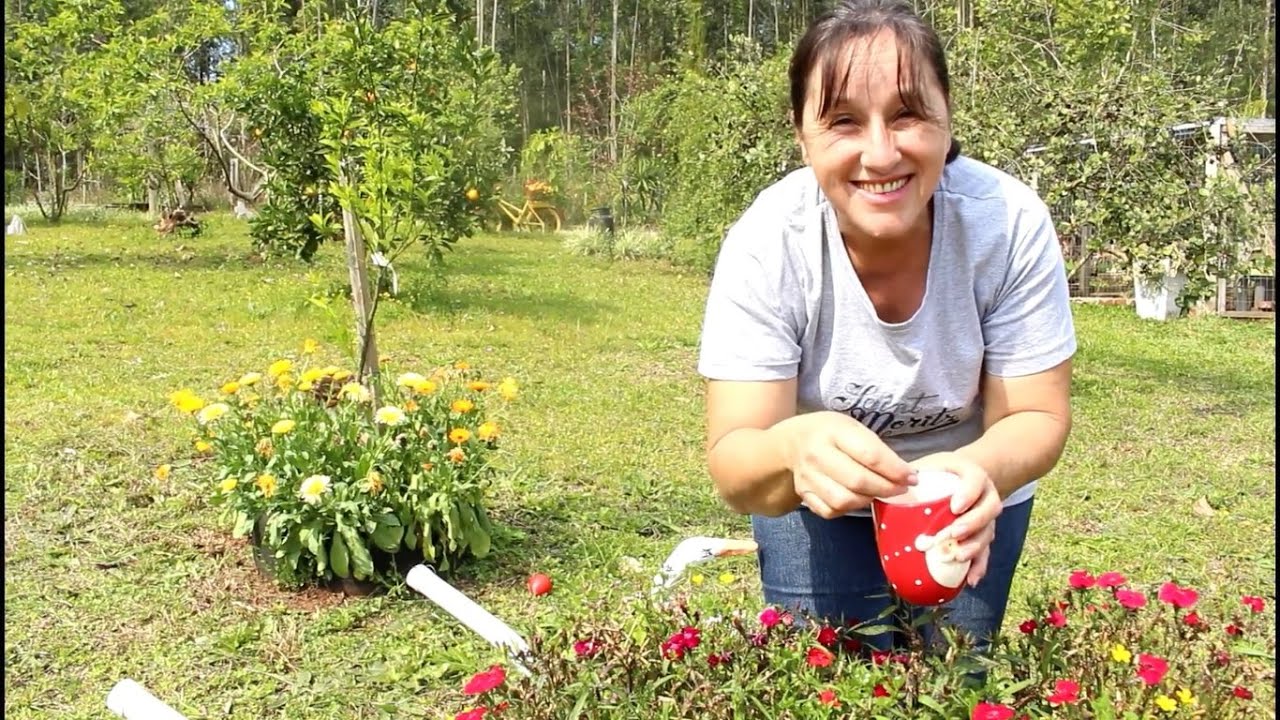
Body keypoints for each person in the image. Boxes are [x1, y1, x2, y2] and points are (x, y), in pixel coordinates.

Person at [697, 0, 1076, 653]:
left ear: (947, 117)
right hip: (813, 502)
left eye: (906, 114)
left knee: (952, 677)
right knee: (825, 682)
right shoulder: (769, 242)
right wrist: (793, 448)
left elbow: (1037, 415)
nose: (880, 153)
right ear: (801, 133)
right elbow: (736, 463)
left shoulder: (1007, 224)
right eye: (843, 121)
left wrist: (975, 472)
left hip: (968, 496)